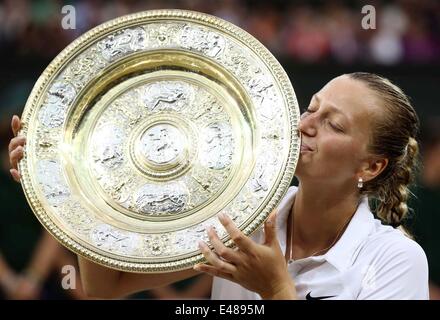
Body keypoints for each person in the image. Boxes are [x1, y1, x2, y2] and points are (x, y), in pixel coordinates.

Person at [8, 72, 429, 300]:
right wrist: (73, 184)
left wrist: (276, 288)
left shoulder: (397, 259)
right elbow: (105, 288)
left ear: (371, 166)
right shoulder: (239, 207)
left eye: (333, 124)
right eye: (311, 108)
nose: (304, 126)